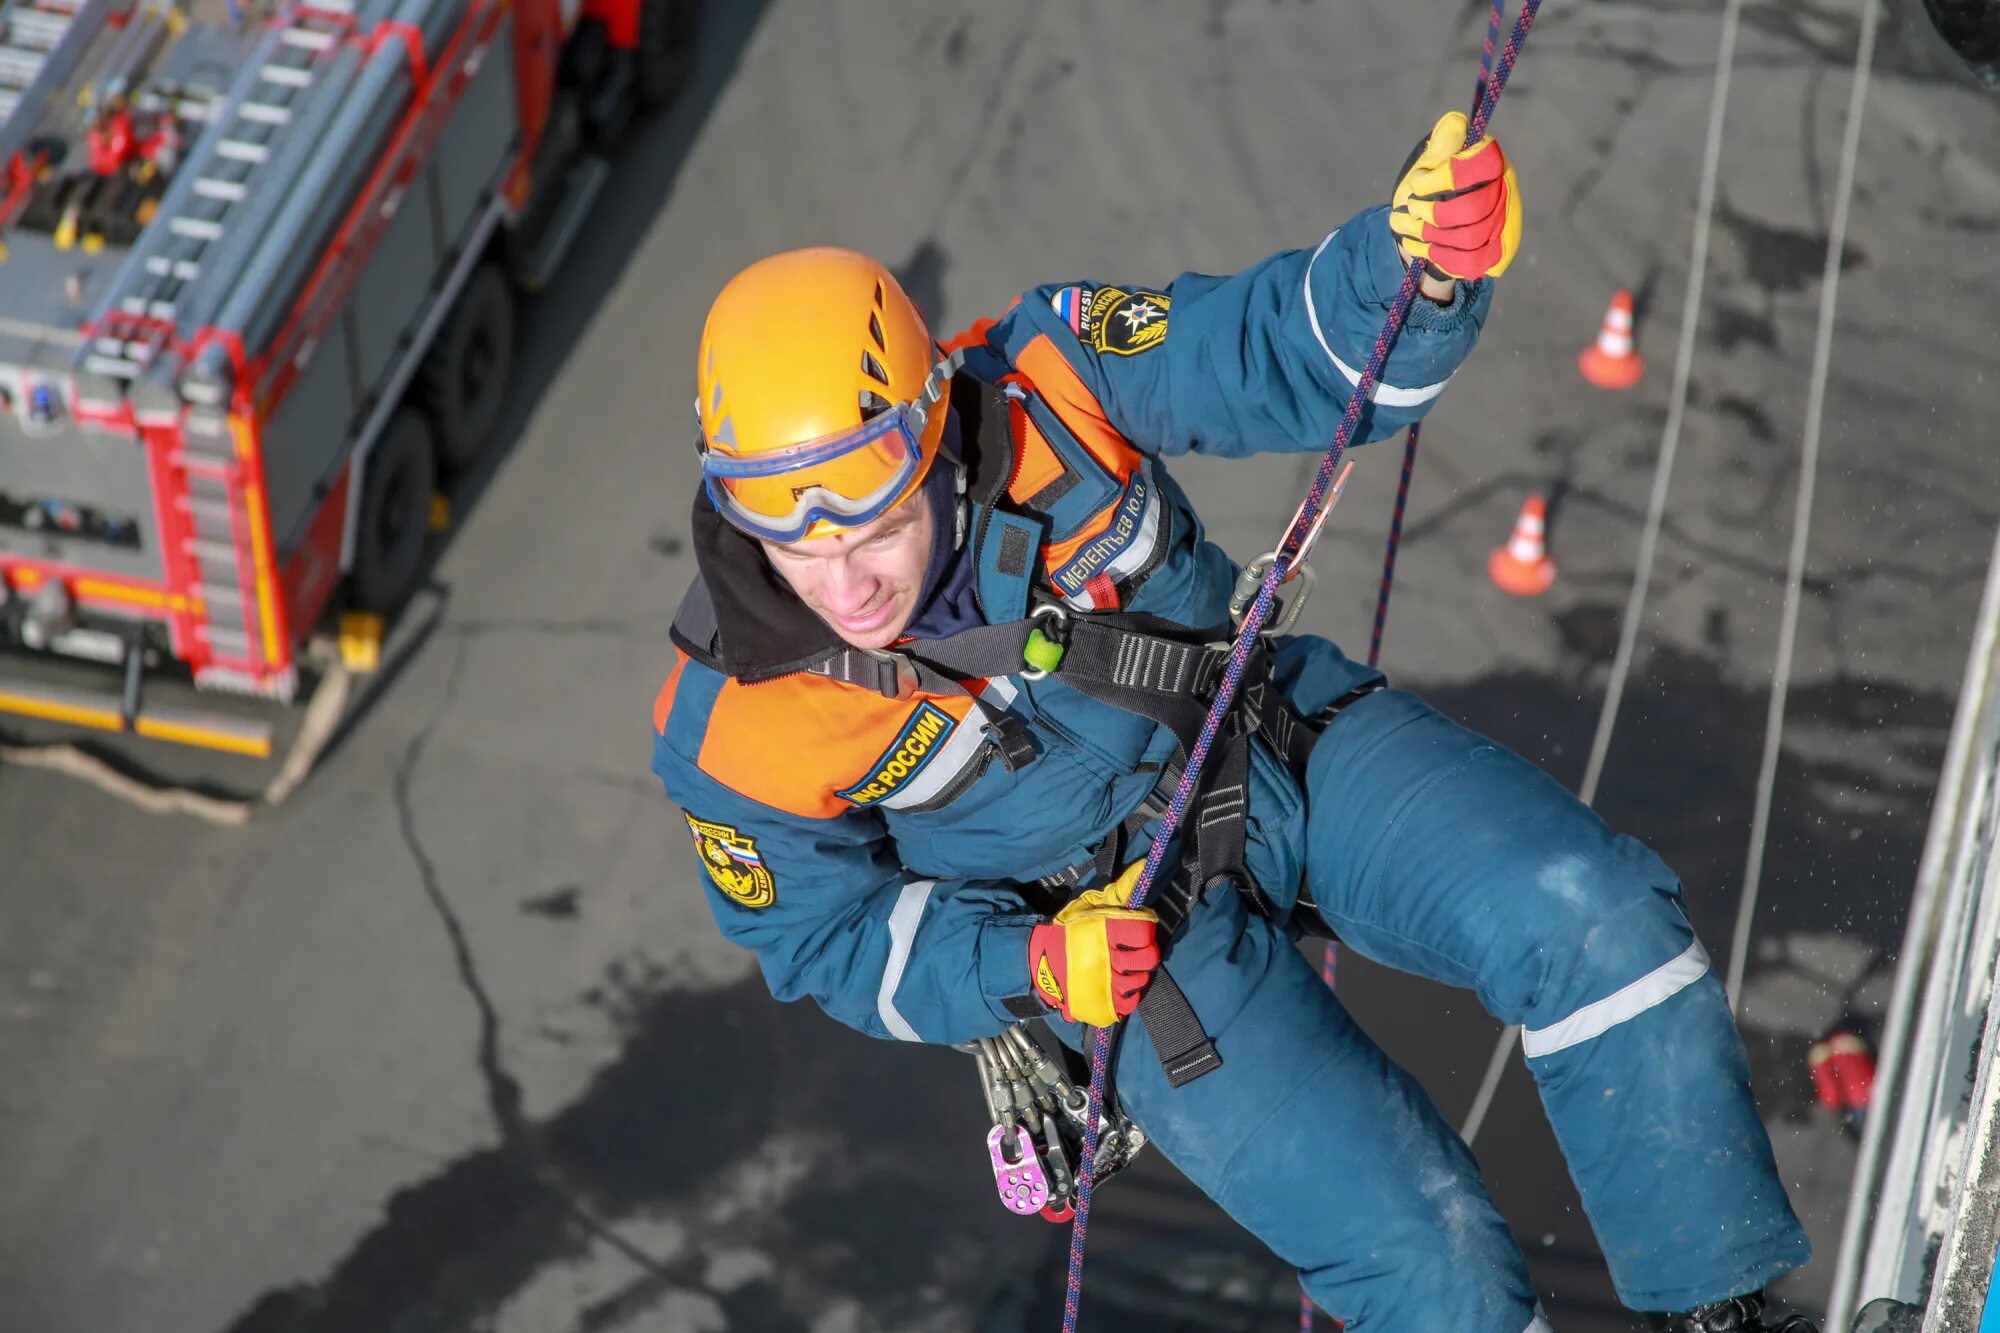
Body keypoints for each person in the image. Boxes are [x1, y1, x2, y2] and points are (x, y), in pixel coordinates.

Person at [651, 112, 1816, 1332]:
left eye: (874, 520)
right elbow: (831, 941)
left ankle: (1724, 1314)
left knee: (1593, 915)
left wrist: (1411, 268)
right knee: (1426, 1259)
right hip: (1127, 950)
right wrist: (1031, 967)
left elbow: (1260, 352)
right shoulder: (729, 723)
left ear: (934, 432)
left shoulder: (1049, 376)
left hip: (1270, 741)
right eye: (792, 542)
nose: (844, 586)